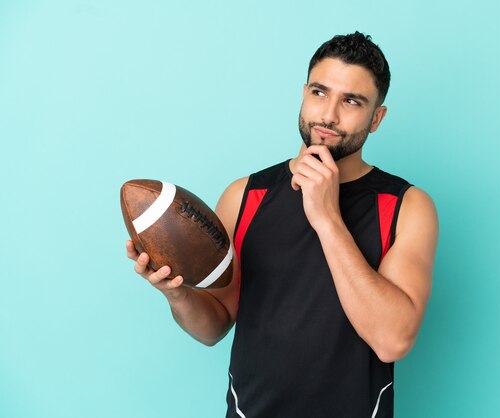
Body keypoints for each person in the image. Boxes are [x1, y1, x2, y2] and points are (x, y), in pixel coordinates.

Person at [126, 31, 438, 417]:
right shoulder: (244, 195)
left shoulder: (406, 205)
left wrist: (326, 217)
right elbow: (214, 325)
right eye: (320, 93)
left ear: (377, 118)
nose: (329, 115)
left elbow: (392, 341)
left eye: (352, 101)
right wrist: (177, 294)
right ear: (304, 93)